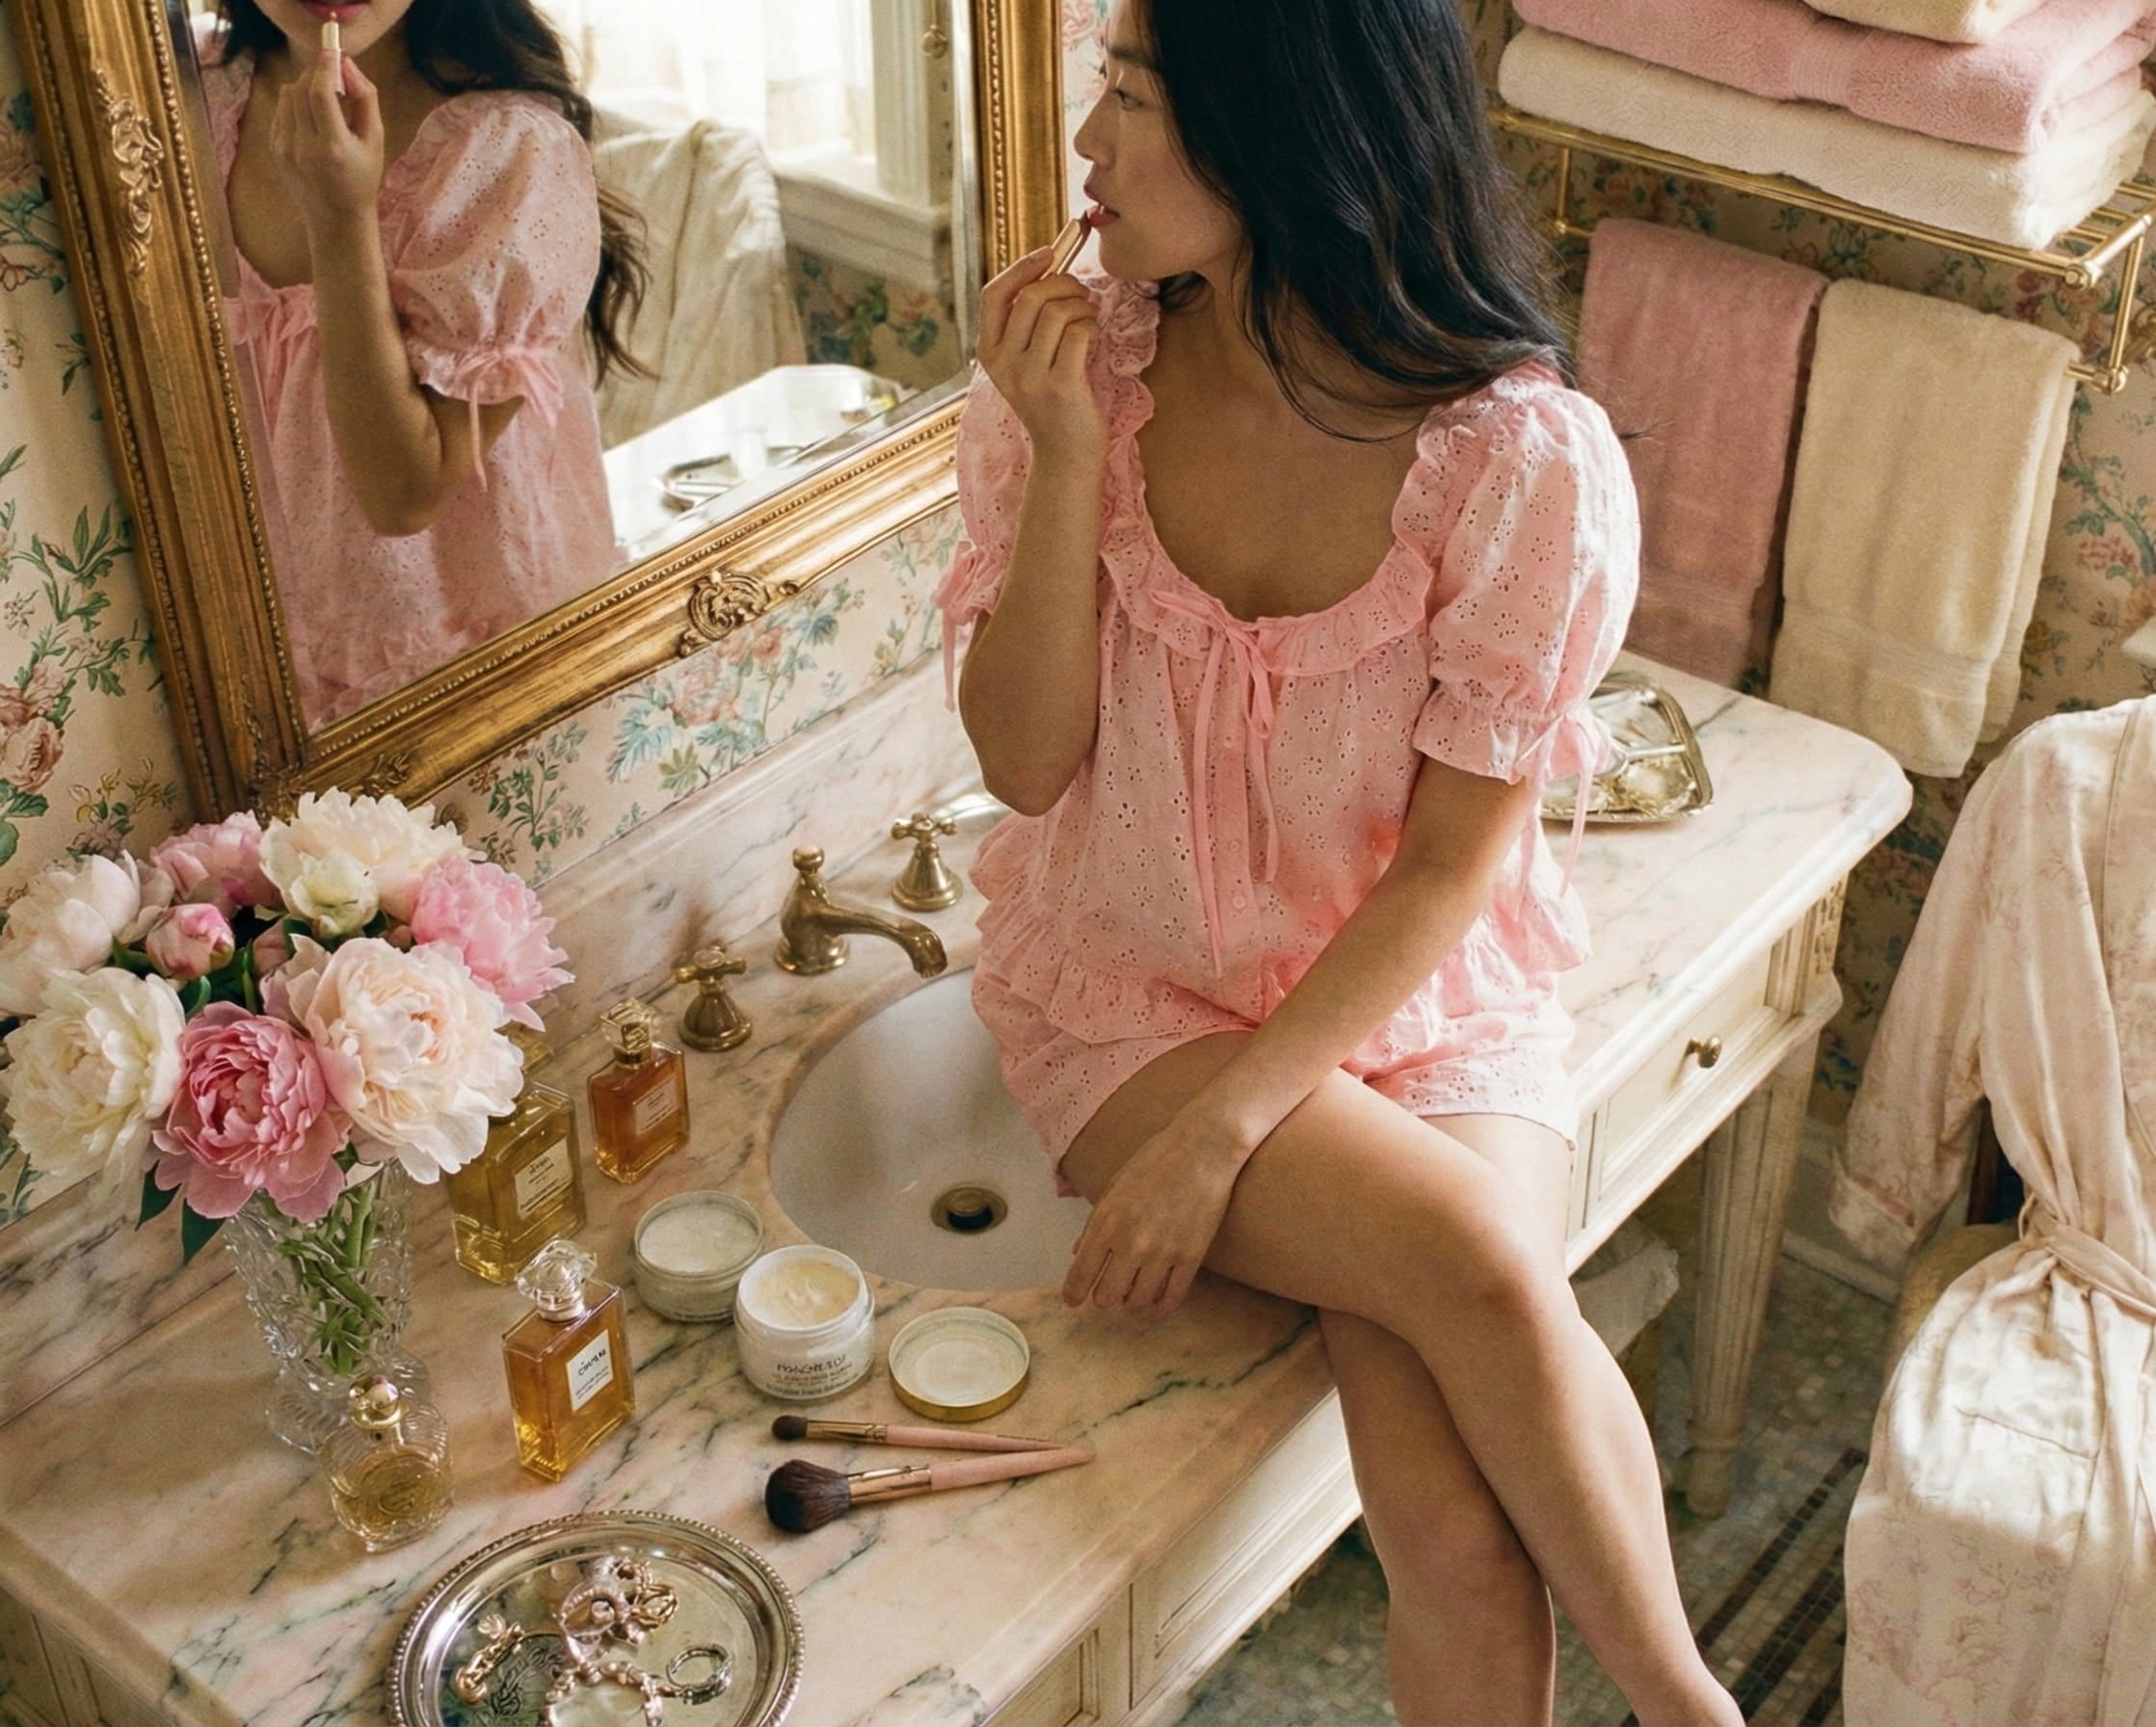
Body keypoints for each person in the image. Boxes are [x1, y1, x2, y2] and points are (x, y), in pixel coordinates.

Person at [935, 2, 1743, 1722]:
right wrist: (1070, 447)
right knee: (1474, 1268)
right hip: (1137, 1001)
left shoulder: (1514, 460)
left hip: (1414, 995)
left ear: (1281, 120)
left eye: (1134, 98)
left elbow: (1452, 869)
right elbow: (1019, 762)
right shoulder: (1073, 384)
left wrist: (1233, 1137)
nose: (1087, 147)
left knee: (1454, 1528)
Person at [200, 0, 644, 723]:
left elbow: (403, 494)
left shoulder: (508, 148)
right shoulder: (185, 98)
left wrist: (340, 220)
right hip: (248, 658)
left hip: (457, 676)